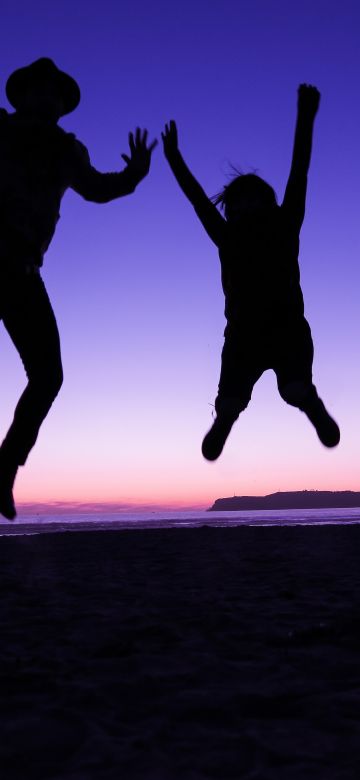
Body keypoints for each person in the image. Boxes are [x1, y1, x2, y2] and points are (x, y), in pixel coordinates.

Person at [0, 57, 157, 519]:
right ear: (23, 94)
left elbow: (97, 188)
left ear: (63, 105)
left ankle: (5, 465)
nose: (47, 98)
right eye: (38, 89)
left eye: (55, 93)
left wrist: (134, 175)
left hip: (23, 272)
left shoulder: (68, 149)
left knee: (48, 376)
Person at [161, 84, 340, 461]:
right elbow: (198, 200)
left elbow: (299, 171)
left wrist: (305, 117)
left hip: (288, 327)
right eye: (236, 204)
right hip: (242, 335)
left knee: (292, 389)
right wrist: (174, 159)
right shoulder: (227, 236)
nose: (241, 207)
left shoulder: (285, 222)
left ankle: (309, 403)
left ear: (268, 201)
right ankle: (225, 419)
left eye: (250, 199)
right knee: (231, 398)